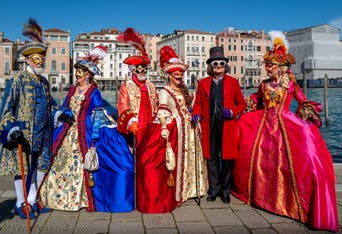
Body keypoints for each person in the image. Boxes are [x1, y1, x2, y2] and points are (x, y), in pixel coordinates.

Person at [231, 31, 338, 232]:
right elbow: (256, 102)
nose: (268, 68)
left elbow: (302, 99)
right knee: (260, 159)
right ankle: (262, 197)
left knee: (302, 158)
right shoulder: (263, 85)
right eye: (267, 65)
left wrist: (306, 114)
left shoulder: (290, 83)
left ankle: (292, 203)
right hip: (264, 124)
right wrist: (244, 107)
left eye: (271, 65)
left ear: (280, 66)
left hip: (284, 123)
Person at [39, 45, 135, 212]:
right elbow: (64, 106)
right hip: (68, 130)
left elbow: (98, 112)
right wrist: (64, 113)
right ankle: (58, 196)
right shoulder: (72, 89)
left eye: (81, 72)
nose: (78, 75)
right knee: (61, 162)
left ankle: (83, 198)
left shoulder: (94, 91)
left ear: (88, 75)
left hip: (85, 130)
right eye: (77, 72)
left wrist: (95, 135)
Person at [0, 18, 56, 219]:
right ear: (28, 60)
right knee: (22, 168)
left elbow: (50, 104)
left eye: (42, 59)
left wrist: (60, 113)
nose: (41, 62)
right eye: (37, 59)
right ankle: (21, 203)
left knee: (41, 165)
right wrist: (11, 129)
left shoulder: (44, 82)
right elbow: (7, 108)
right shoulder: (18, 79)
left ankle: (31, 199)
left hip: (43, 133)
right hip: (24, 134)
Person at [136, 46, 208, 213]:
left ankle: (194, 189)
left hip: (191, 130)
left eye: (181, 74)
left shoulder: (186, 90)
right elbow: (162, 110)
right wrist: (163, 126)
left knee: (192, 157)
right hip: (178, 130)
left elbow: (194, 105)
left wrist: (195, 113)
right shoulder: (164, 91)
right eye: (176, 75)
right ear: (168, 75)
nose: (179, 77)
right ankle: (182, 190)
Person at [192, 46, 246, 204]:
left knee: (228, 158)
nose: (218, 67)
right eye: (215, 64)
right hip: (209, 124)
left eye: (221, 64)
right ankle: (214, 189)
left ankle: (225, 190)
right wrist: (196, 113)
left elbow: (242, 104)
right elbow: (199, 104)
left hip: (227, 124)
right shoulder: (202, 83)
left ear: (225, 66)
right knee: (212, 157)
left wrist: (233, 112)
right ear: (210, 66)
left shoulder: (233, 82)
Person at [116, 28, 158, 142]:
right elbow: (123, 107)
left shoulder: (151, 85)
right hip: (135, 127)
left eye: (145, 69)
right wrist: (131, 122)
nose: (143, 72)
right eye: (140, 69)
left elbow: (157, 105)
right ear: (133, 70)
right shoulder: (126, 86)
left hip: (151, 127)